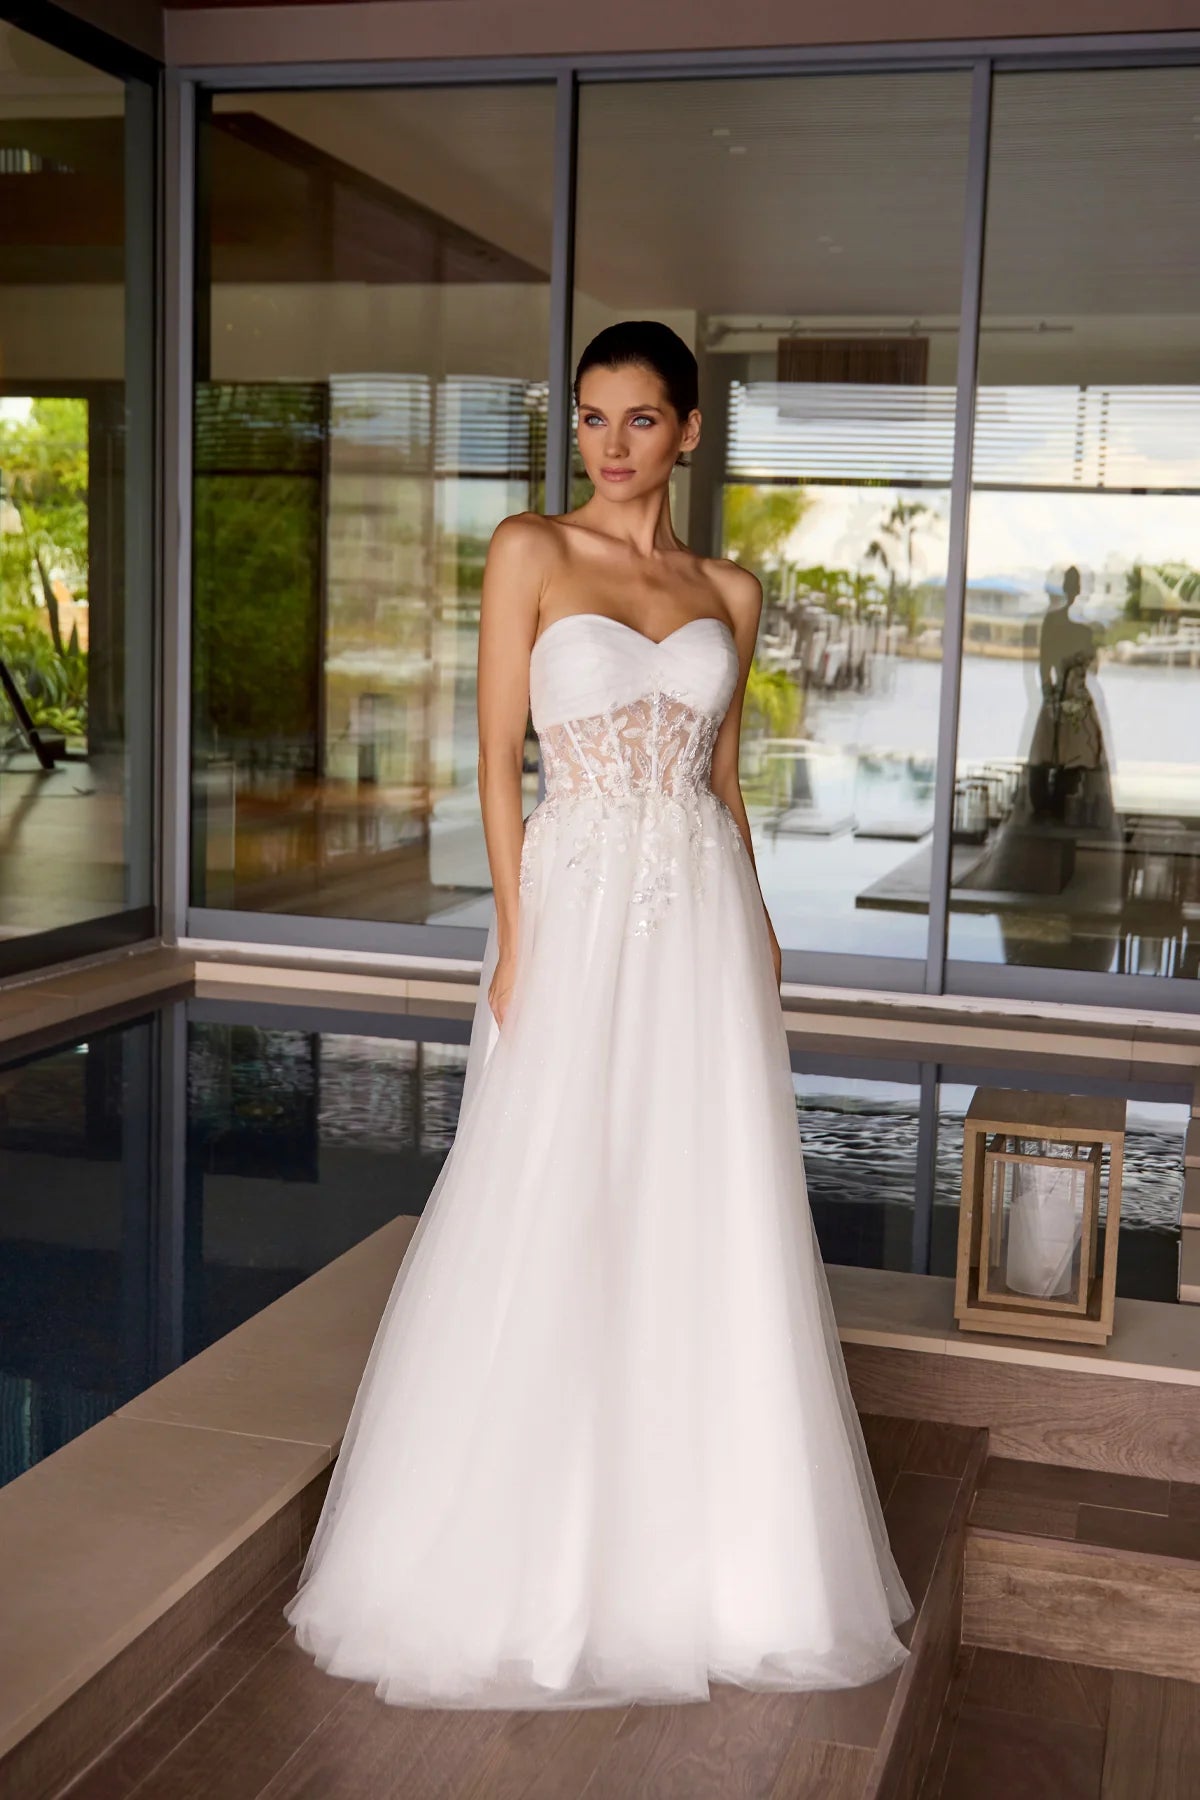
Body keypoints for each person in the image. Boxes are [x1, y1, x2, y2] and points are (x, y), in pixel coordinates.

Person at [284, 320, 914, 1709]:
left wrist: (755, 929)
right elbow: (499, 766)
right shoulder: (529, 549)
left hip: (694, 919)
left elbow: (727, 783)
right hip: (570, 909)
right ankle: (512, 1551)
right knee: (550, 1193)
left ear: (687, 429)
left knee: (702, 1204)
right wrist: (515, 941)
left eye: (639, 420)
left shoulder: (732, 591)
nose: (612, 446)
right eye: (591, 418)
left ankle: (721, 1560)